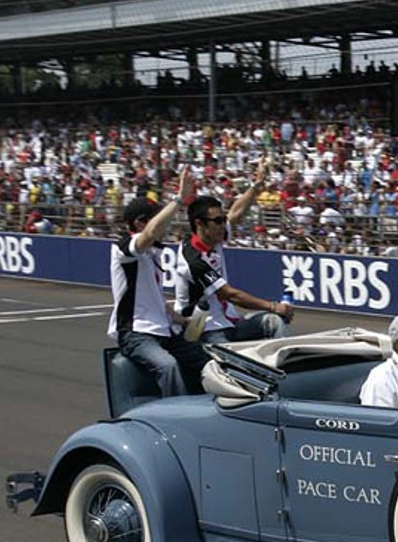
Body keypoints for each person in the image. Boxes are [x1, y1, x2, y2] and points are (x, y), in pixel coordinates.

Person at [109, 166, 211, 396]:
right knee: (168, 366)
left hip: (163, 330)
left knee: (206, 361)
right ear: (138, 223)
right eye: (156, 219)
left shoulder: (153, 254)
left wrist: (183, 321)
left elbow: (155, 301)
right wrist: (178, 200)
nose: (165, 226)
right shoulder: (124, 249)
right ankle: (175, 417)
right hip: (134, 333)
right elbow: (150, 234)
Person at [174, 177, 294, 344]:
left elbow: (236, 213)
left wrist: (257, 184)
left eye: (223, 220)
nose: (223, 225)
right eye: (218, 221)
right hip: (203, 330)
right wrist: (273, 306)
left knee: (274, 322)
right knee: (233, 358)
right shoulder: (192, 260)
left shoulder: (213, 236)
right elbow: (230, 295)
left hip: (228, 322)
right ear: (199, 224)